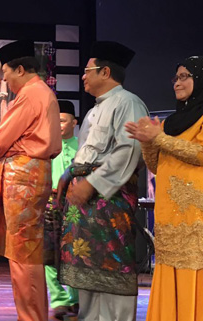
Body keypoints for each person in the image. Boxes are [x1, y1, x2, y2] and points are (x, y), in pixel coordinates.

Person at [57, 41, 149, 321]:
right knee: (89, 272)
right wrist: (68, 178)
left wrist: (92, 183)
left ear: (105, 72)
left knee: (112, 268)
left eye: (88, 71)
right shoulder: (94, 110)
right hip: (86, 203)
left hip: (109, 201)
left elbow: (128, 150)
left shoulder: (129, 103)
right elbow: (84, 155)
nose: (83, 76)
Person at [0, 40, 62, 321]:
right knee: (26, 252)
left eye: (6, 73)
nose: (5, 80)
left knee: (23, 254)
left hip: (23, 175)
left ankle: (31, 316)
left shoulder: (30, 93)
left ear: (21, 69)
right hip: (30, 173)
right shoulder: (40, 92)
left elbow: (3, 137)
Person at [125, 56, 203, 321]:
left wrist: (158, 138)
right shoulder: (171, 124)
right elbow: (157, 165)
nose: (177, 83)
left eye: (185, 77)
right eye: (176, 78)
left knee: (193, 270)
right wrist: (148, 142)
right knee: (168, 267)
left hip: (195, 215)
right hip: (168, 212)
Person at [43, 100, 79, 320]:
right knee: (49, 254)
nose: (58, 125)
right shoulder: (46, 146)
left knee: (75, 252)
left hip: (75, 204)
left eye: (63, 120)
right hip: (49, 202)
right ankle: (59, 300)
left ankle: (75, 299)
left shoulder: (83, 147)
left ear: (74, 123)